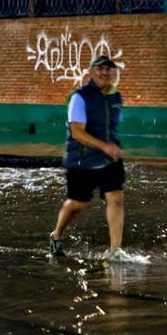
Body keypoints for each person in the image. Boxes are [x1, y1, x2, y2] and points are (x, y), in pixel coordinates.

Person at [49, 55, 125, 257]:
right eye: (100, 69)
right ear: (91, 72)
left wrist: (113, 147)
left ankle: (115, 251)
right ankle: (56, 235)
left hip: (109, 160)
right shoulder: (79, 97)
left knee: (115, 198)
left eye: (108, 69)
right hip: (82, 160)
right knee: (77, 204)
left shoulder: (116, 97)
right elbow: (77, 132)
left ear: (113, 73)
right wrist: (105, 146)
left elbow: (112, 127)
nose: (104, 73)